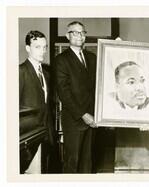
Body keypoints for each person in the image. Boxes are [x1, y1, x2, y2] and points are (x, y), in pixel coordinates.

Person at [54, 21, 97, 173]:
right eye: (75, 32)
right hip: (74, 121)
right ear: (68, 36)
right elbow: (64, 94)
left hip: (92, 119)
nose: (80, 36)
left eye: (82, 32)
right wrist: (83, 115)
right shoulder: (61, 60)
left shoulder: (92, 58)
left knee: (87, 163)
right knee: (72, 163)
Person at [19, 30, 55, 173]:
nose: (43, 51)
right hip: (28, 137)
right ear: (28, 48)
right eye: (37, 47)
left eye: (44, 47)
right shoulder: (20, 71)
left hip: (46, 134)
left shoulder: (46, 73)